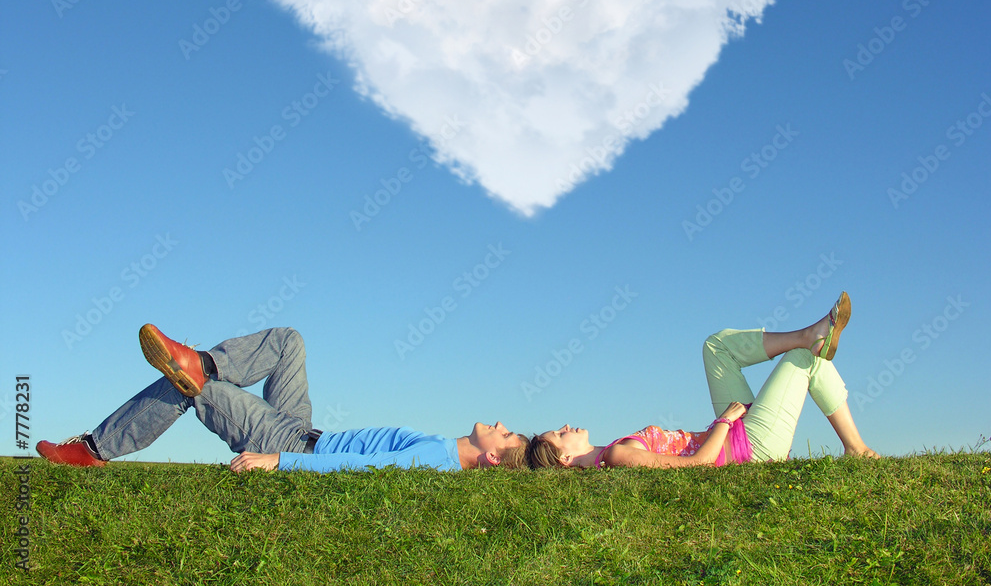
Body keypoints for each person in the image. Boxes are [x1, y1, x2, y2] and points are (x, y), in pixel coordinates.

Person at [37, 325, 527, 472]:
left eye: (505, 434)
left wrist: (279, 463)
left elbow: (362, 469)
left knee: (195, 391)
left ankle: (93, 450)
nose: (499, 422)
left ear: (490, 454)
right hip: (302, 427)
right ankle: (202, 360)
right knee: (289, 341)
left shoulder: (440, 458)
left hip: (290, 445)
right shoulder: (443, 451)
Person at [526, 292, 879, 469]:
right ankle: (856, 448)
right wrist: (725, 422)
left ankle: (807, 334)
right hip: (748, 449)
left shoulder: (611, 451)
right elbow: (697, 468)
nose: (566, 426)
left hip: (735, 437)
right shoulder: (618, 456)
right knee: (805, 360)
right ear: (565, 460)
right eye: (559, 434)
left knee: (716, 346)